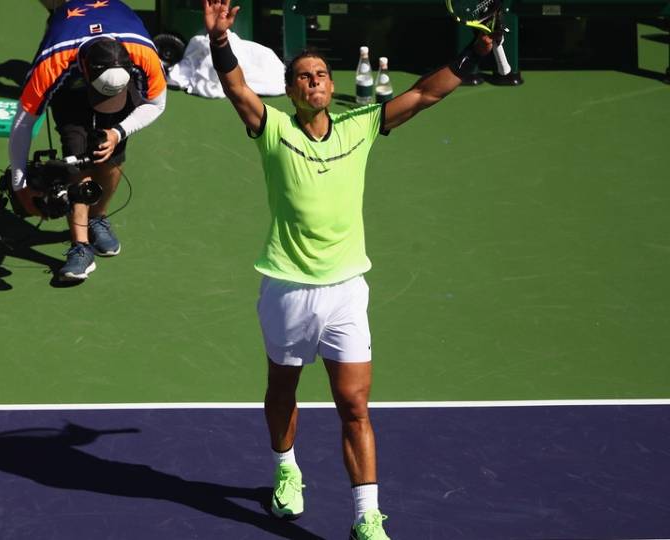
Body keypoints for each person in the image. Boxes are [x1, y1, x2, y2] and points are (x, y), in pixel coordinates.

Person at [201, 0, 494, 538]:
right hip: (287, 287)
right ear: (291, 92)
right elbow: (239, 89)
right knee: (282, 389)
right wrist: (221, 41)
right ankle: (286, 468)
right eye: (302, 78)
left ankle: (366, 517)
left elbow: (427, 92)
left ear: (331, 88)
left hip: (345, 292)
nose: (312, 82)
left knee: (354, 404)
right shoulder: (273, 129)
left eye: (320, 75)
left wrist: (473, 55)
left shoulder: (361, 126)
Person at [9, 0, 167, 281]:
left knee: (111, 157)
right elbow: (23, 122)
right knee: (76, 158)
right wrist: (19, 184)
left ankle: (97, 216)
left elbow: (156, 103)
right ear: (84, 66)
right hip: (70, 88)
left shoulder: (142, 52)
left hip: (112, 69)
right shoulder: (53, 61)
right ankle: (80, 247)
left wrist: (118, 131)